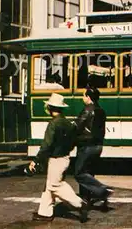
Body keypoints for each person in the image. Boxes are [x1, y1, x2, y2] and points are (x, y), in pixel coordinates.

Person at [30, 93, 88, 223]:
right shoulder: (67, 123)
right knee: (49, 186)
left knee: (55, 185)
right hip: (65, 157)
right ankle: (45, 212)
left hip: (56, 159)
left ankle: (80, 204)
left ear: (50, 108)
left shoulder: (53, 124)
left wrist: (36, 160)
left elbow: (46, 145)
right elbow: (74, 141)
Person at [74, 86, 112, 208]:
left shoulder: (87, 110)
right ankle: (86, 199)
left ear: (88, 97)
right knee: (89, 172)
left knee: (79, 173)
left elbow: (76, 127)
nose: (82, 98)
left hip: (86, 146)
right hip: (98, 146)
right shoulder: (101, 111)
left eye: (83, 95)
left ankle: (101, 190)